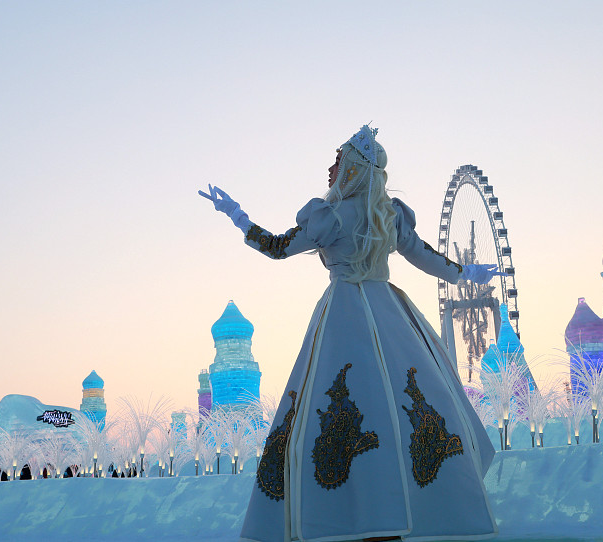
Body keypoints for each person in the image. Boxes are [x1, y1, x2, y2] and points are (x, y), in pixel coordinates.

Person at [200, 125, 500, 541]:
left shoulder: (333, 217)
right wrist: (467, 273)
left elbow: (275, 247)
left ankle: (348, 513)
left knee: (334, 406)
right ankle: (408, 509)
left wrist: (238, 217)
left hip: (342, 313)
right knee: (401, 406)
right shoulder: (388, 214)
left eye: (337, 160)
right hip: (391, 312)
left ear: (354, 170)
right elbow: (427, 259)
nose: (330, 168)